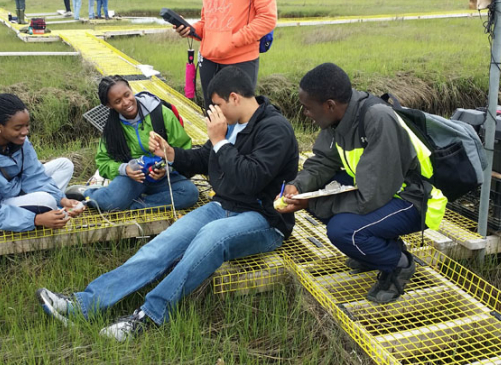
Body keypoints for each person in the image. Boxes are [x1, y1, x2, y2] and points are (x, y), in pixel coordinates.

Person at [37, 66, 299, 341]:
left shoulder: (274, 129)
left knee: (211, 237)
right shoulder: (233, 124)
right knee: (161, 246)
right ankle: (84, 304)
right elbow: (202, 160)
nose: (215, 113)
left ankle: (148, 315)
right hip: (222, 206)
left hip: (264, 219)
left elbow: (250, 179)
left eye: (217, 105)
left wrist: (220, 141)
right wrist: (171, 153)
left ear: (234, 98)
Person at [277, 63, 447, 304]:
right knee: (321, 195)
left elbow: (370, 196)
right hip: (382, 190)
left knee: (343, 230)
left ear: (329, 105)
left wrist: (309, 204)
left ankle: (399, 264)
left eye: (307, 108)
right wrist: (300, 187)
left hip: (413, 198)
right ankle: (373, 250)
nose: (306, 114)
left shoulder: (377, 119)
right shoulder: (336, 121)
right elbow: (323, 162)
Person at [0, 93, 85, 232]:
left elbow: (34, 176)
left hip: (10, 191)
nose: (25, 132)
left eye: (27, 125)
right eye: (18, 127)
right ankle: (46, 211)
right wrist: (36, 220)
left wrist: (62, 200)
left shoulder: (19, 142)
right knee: (47, 201)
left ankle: (51, 209)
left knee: (64, 165)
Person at [65, 75, 199, 212]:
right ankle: (89, 193)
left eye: (127, 95)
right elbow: (103, 162)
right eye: (117, 101)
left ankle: (134, 205)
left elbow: (184, 149)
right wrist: (125, 169)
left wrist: (167, 169)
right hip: (133, 179)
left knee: (189, 193)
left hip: (164, 177)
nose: (126, 102)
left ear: (131, 89)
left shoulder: (161, 113)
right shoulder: (112, 128)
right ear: (109, 105)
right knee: (109, 203)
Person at [173, 0, 277, 111]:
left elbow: (267, 18)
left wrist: (233, 41)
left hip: (241, 60)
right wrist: (190, 29)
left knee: (240, 120)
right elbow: (206, 24)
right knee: (212, 116)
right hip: (208, 61)